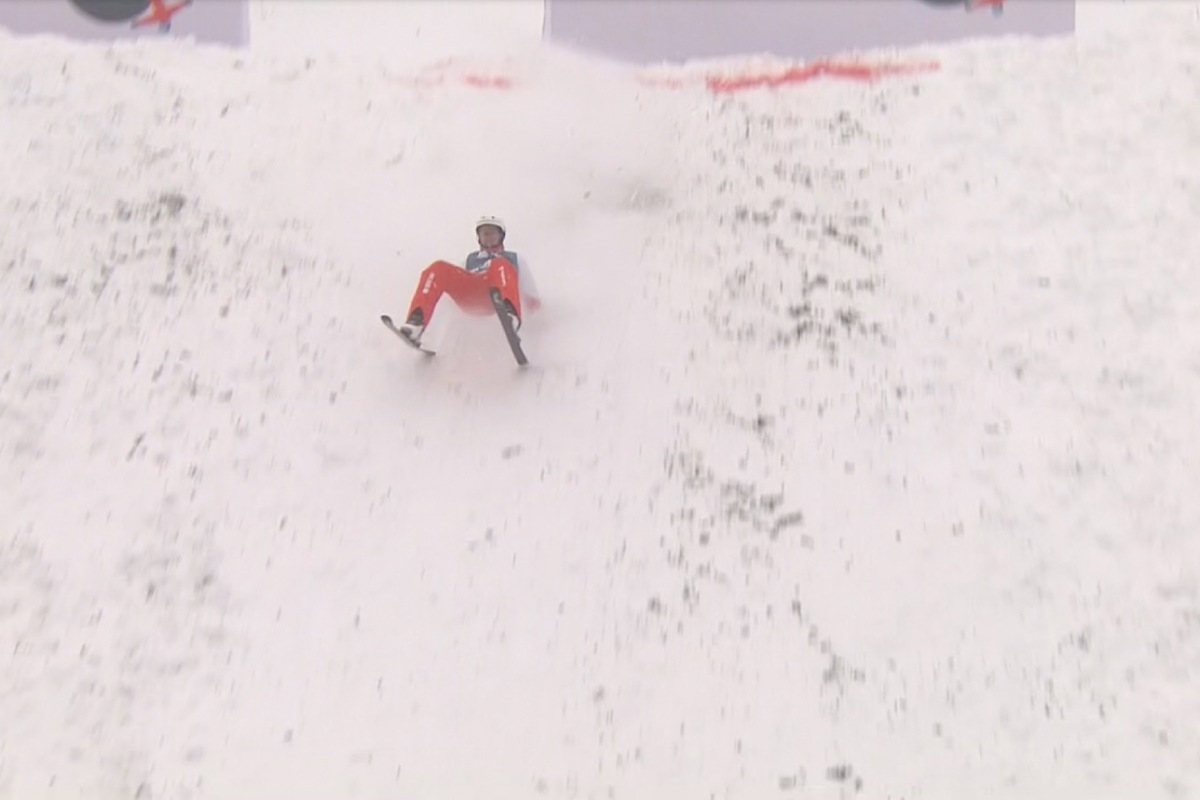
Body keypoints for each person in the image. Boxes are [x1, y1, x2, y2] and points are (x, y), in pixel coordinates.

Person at [396, 216, 541, 345]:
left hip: (496, 298)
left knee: (500, 265)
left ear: (501, 236)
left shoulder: (514, 258)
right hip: (471, 296)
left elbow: (530, 292)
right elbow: (447, 296)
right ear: (478, 237)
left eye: (492, 233)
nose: (488, 237)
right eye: (484, 233)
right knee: (438, 267)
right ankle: (416, 323)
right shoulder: (469, 259)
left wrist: (537, 322)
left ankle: (511, 318)